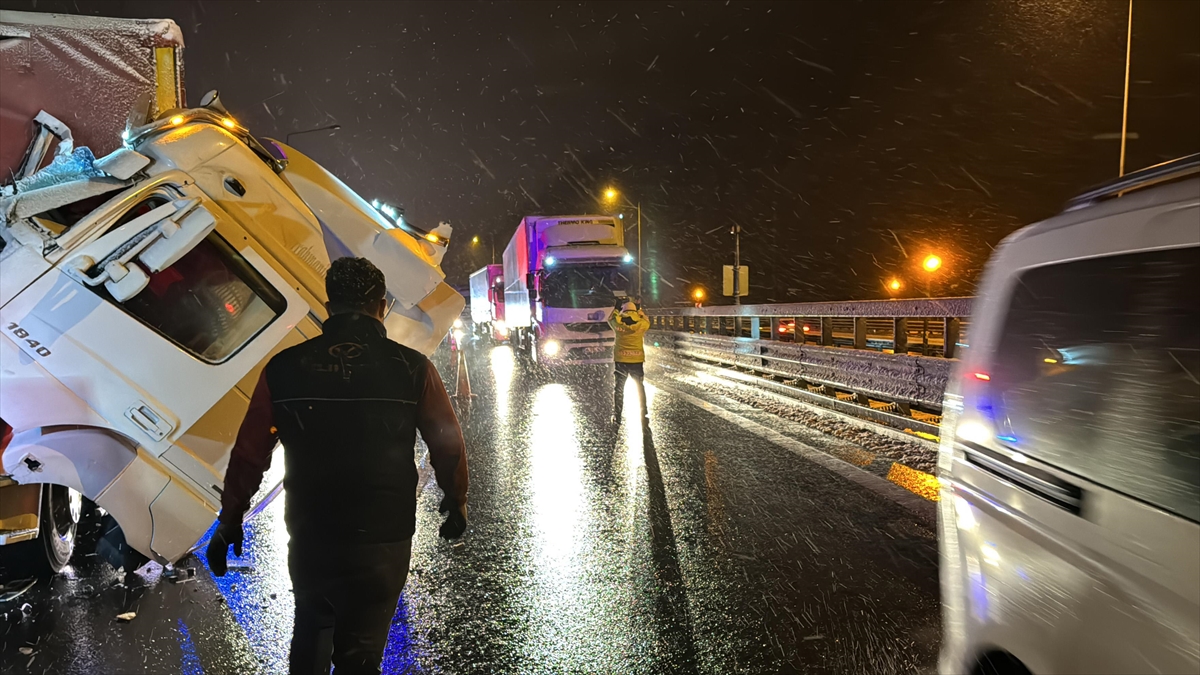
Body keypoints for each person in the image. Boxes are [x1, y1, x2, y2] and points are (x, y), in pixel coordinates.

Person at [207, 257, 469, 675]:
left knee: (311, 632)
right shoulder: (411, 368)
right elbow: (447, 442)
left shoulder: (286, 368)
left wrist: (230, 519)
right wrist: (456, 500)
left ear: (330, 306)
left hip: (314, 534)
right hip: (383, 538)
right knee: (360, 655)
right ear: (381, 307)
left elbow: (249, 453)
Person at [609, 298, 651, 428]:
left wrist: (616, 308)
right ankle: (643, 411)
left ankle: (617, 413)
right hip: (637, 361)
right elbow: (647, 320)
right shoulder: (642, 324)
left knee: (619, 388)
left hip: (621, 361)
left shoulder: (618, 323)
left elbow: (610, 319)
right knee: (640, 386)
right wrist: (639, 310)